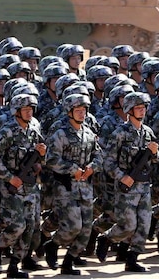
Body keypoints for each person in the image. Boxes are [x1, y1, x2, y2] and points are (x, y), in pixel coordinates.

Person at [96, 92, 159, 273]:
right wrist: (121, 176)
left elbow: (157, 159)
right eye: (138, 108)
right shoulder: (120, 133)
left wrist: (155, 153)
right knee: (128, 225)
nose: (142, 111)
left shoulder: (148, 132)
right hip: (126, 187)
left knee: (144, 224)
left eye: (143, 107)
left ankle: (132, 259)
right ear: (129, 110)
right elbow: (108, 161)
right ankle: (107, 238)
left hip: (144, 185)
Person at [41, 94, 100, 276]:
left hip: (85, 187)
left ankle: (68, 261)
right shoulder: (61, 133)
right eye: (78, 111)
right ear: (69, 112)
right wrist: (72, 168)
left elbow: (99, 156)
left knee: (86, 229)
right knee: (74, 225)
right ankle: (53, 244)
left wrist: (92, 167)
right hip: (66, 187)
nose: (82, 114)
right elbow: (50, 159)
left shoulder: (89, 134)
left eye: (84, 111)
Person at [0, 93, 46, 278]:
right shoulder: (8, 131)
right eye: (25, 110)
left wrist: (41, 157)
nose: (29, 113)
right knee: (18, 225)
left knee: (30, 227)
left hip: (30, 186)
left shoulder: (34, 129)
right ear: (16, 111)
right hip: (10, 186)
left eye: (31, 109)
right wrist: (8, 177)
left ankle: (14, 265)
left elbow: (42, 156)